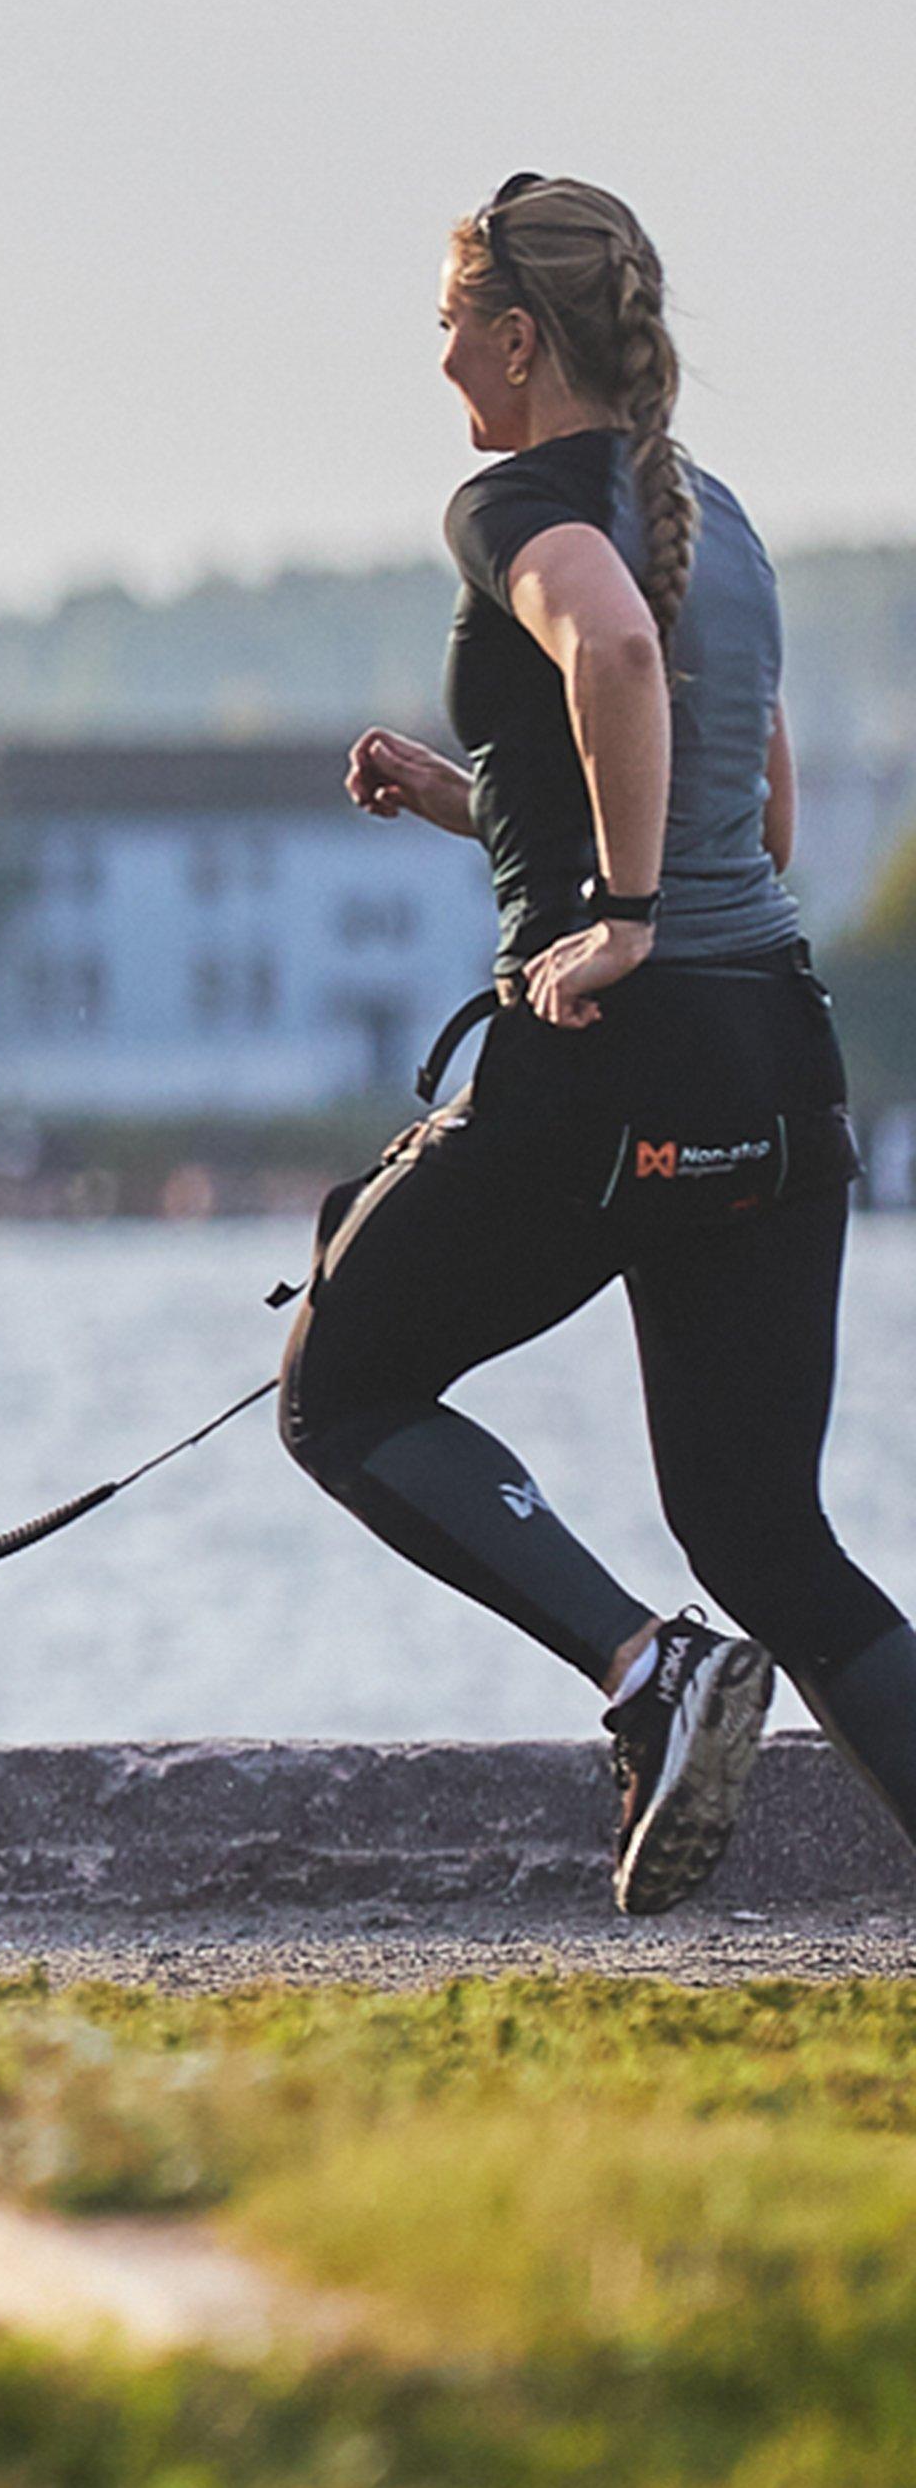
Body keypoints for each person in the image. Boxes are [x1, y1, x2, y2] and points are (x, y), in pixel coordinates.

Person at [280, 173, 906, 1909]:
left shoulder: (514, 504)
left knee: (343, 1386)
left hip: (612, 1060)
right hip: (777, 1060)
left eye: (447, 330)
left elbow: (612, 649)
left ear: (516, 337)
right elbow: (755, 824)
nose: (442, 365)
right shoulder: (724, 518)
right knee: (770, 1534)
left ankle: (648, 1668)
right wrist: (469, 802)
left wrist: (616, 913)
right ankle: (699, 1659)